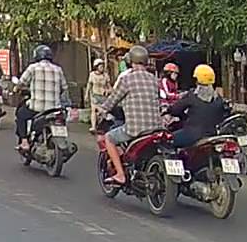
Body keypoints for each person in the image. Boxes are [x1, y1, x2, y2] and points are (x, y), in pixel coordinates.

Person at [97, 45, 164, 186]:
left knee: (109, 138)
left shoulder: (127, 79)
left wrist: (102, 110)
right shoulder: (154, 80)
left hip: (135, 128)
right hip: (156, 127)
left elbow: (113, 100)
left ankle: (120, 175)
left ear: (130, 61)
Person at [14, 44, 69, 153]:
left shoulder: (33, 68)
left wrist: (16, 89)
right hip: (55, 109)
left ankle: (24, 142)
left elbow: (21, 83)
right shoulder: (58, 69)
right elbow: (64, 88)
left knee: (20, 115)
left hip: (37, 108)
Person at [167, 64, 230, 148]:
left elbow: (175, 110)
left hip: (192, 135)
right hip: (212, 135)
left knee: (167, 141)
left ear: (196, 80)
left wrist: (169, 110)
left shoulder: (192, 95)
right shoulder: (218, 99)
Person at [84, 58, 111, 131]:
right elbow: (89, 85)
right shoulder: (92, 75)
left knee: (102, 111)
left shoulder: (105, 75)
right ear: (96, 67)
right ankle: (93, 127)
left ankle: (101, 126)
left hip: (103, 96)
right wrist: (86, 95)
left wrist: (108, 91)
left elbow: (109, 87)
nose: (102, 68)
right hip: (95, 95)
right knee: (93, 110)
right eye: (100, 66)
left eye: (102, 66)